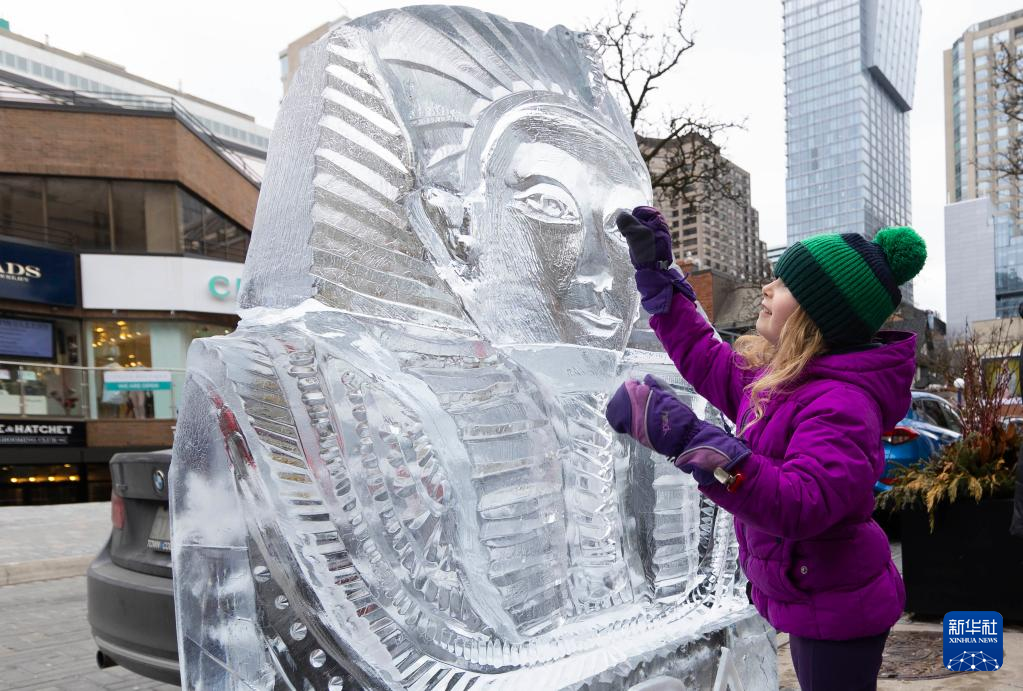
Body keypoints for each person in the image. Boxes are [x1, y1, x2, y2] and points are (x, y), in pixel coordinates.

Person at [606, 206, 927, 691]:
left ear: (819, 314)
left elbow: (802, 502)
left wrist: (690, 440)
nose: (766, 288)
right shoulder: (781, 382)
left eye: (784, 284)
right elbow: (703, 354)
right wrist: (658, 274)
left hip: (840, 608)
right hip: (811, 594)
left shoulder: (842, 403)